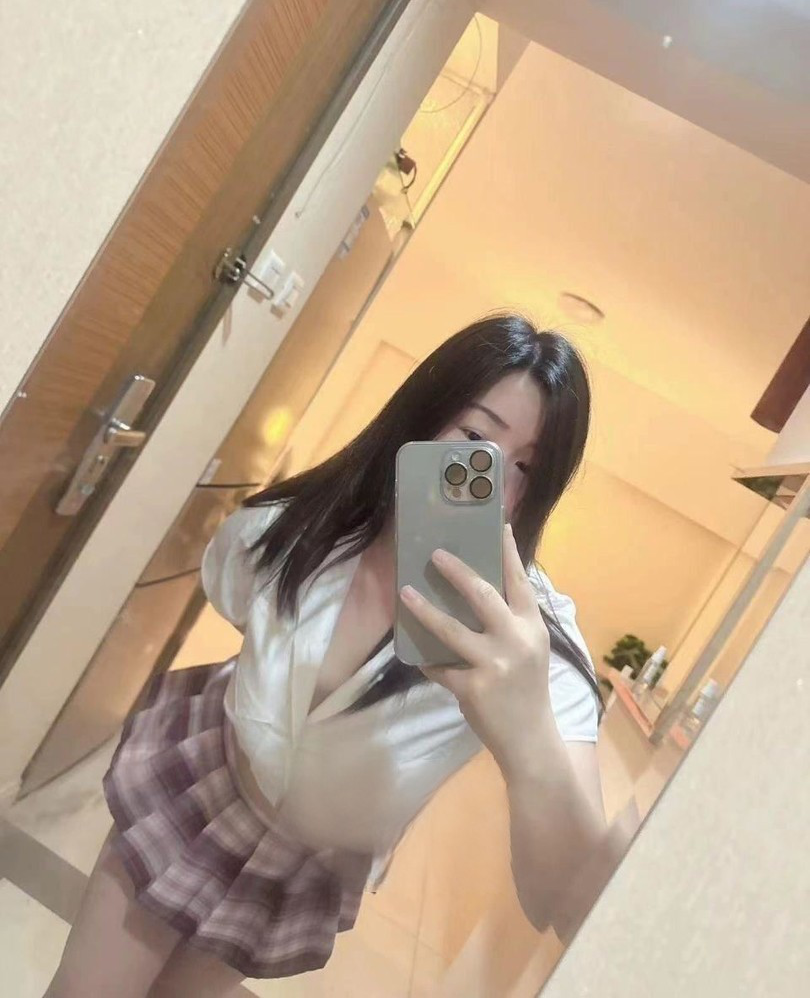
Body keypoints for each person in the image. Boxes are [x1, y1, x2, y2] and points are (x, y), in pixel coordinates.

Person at [47, 314, 614, 998]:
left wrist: (528, 734)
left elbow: (572, 898)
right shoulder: (308, 523)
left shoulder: (531, 642)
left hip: (296, 868)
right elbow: (231, 579)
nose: (490, 481)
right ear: (421, 421)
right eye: (473, 440)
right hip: (204, 782)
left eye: (525, 467)